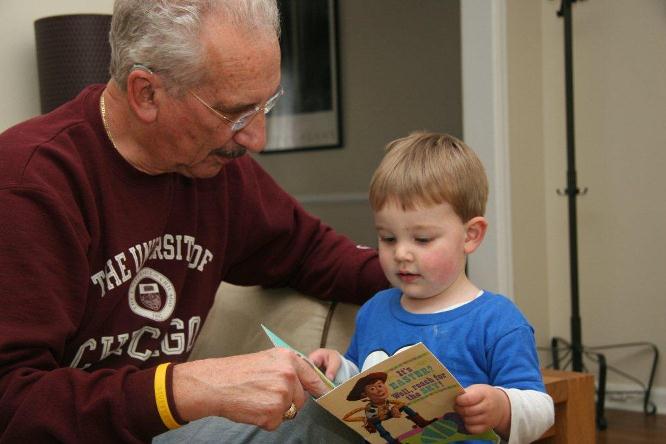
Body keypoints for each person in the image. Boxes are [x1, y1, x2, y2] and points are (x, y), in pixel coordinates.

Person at [0, 1, 387, 443]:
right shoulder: (30, 185)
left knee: (336, 419)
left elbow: (312, 252)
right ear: (146, 93)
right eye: (234, 112)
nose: (257, 138)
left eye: (268, 103)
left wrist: (437, 275)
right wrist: (186, 389)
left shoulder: (214, 171)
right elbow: (12, 403)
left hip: (155, 432)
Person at [309, 132, 555, 443]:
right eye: (388, 238)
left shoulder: (498, 320)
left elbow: (541, 409)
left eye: (422, 239)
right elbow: (363, 385)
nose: (401, 253)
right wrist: (337, 369)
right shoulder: (375, 309)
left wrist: (503, 407)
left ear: (470, 236)